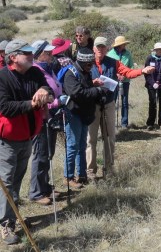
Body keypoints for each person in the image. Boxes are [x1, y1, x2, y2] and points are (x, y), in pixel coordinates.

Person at [0, 40, 54, 245]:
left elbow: (48, 90)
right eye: (26, 53)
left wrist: (43, 91)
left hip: (27, 136)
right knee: (6, 181)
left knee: (16, 180)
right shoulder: (2, 77)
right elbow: (5, 107)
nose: (32, 56)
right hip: (7, 139)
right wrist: (32, 103)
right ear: (13, 57)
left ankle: (12, 217)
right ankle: (6, 224)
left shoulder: (35, 72)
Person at [87, 37, 155, 178]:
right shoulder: (87, 63)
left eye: (102, 47)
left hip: (108, 104)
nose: (100, 49)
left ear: (107, 49)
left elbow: (128, 72)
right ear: (93, 48)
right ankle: (90, 170)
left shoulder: (113, 62)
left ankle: (109, 169)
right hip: (92, 105)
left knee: (109, 137)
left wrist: (142, 71)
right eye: (98, 47)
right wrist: (91, 82)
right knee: (90, 139)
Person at [61, 48, 107, 188]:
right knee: (72, 146)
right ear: (80, 61)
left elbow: (85, 88)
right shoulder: (71, 74)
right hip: (73, 113)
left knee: (81, 146)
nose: (91, 66)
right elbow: (77, 93)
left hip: (84, 113)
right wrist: (96, 90)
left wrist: (94, 86)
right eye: (88, 63)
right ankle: (68, 177)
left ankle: (82, 175)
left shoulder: (85, 72)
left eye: (91, 63)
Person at [29, 40, 63, 205]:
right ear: (38, 54)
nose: (51, 54)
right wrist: (57, 102)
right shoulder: (36, 71)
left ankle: (45, 186)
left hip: (53, 116)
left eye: (51, 52)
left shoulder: (47, 69)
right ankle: (36, 192)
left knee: (48, 154)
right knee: (40, 155)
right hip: (42, 119)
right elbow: (38, 99)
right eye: (47, 52)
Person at [107, 36, 134, 129]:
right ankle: (110, 123)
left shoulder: (128, 54)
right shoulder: (110, 54)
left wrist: (125, 75)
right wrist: (116, 74)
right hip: (113, 82)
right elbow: (107, 68)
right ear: (119, 45)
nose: (125, 45)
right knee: (112, 102)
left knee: (125, 102)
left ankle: (124, 123)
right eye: (123, 44)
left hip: (125, 82)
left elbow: (131, 67)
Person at [144, 42, 161, 130]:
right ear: (156, 50)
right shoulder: (150, 58)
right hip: (152, 84)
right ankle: (150, 123)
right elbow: (146, 73)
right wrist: (152, 83)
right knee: (152, 103)